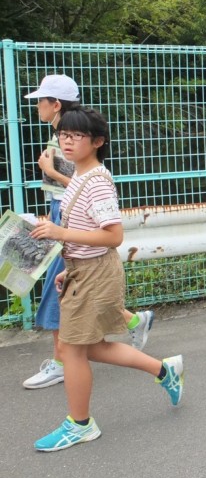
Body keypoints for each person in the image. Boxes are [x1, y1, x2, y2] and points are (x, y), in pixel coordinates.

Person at [28, 108, 184, 451]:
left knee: (71, 349)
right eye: (64, 135)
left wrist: (60, 232)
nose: (67, 141)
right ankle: (164, 371)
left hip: (97, 273)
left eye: (77, 136)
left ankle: (80, 424)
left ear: (97, 142)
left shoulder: (96, 182)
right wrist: (71, 266)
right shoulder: (82, 177)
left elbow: (114, 236)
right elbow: (87, 231)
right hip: (85, 271)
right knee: (91, 348)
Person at [22, 75, 153, 391]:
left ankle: (68, 380)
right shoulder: (78, 160)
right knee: (83, 344)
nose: (68, 140)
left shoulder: (89, 172)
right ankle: (157, 363)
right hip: (74, 247)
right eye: (65, 135)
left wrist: (52, 176)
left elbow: (110, 231)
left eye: (42, 100)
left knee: (78, 344)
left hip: (85, 252)